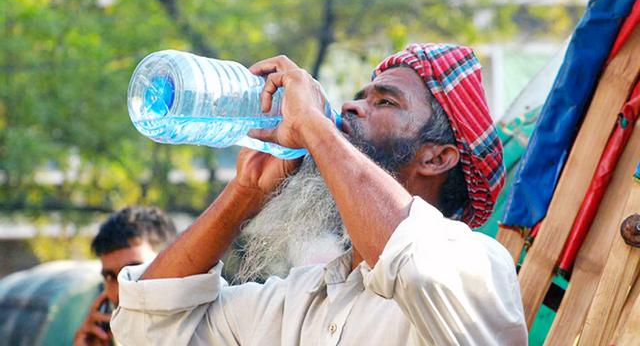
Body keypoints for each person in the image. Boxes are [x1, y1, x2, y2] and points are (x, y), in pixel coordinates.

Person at [111, 43, 528, 345]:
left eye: (385, 101)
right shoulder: (299, 298)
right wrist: (244, 193)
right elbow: (144, 328)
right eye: (361, 95)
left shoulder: (478, 265)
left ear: (437, 158)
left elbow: (412, 263)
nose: (350, 106)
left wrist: (315, 125)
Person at [73, 206, 177, 346]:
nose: (120, 291)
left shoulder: (208, 331)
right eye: (110, 277)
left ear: (172, 265)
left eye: (134, 271)